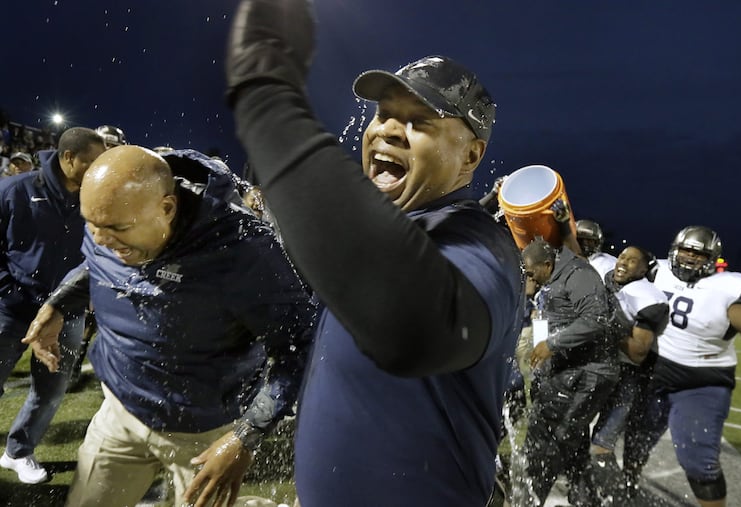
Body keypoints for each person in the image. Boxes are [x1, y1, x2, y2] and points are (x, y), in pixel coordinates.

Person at [225, 1, 525, 505]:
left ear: (471, 155)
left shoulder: (478, 240)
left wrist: (266, 95)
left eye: (419, 121)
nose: (386, 128)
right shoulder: (390, 230)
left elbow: (418, 328)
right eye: (383, 113)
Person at [22, 145, 316, 507]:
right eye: (91, 224)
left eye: (115, 227)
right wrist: (57, 304)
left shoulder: (242, 250)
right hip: (118, 413)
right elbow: (95, 262)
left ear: (167, 208)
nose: (99, 238)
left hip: (203, 429)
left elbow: (298, 347)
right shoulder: (110, 220)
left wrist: (244, 436)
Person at [623, 226, 741, 507]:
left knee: (697, 457)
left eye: (698, 254)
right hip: (653, 374)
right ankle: (628, 484)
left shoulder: (731, 286)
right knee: (637, 441)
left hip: (701, 382)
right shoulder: (655, 270)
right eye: (685, 250)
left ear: (712, 258)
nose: (689, 258)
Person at [0, 127, 106, 483]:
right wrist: (11, 295)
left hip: (67, 312)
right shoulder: (16, 189)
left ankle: (18, 452)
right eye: (91, 162)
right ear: (68, 158)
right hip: (13, 307)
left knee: (51, 391)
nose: (98, 170)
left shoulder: (95, 197)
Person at [518, 238, 618, 506]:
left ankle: (530, 499)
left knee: (548, 440)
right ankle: (585, 497)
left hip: (586, 371)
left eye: (530, 272)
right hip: (567, 369)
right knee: (569, 441)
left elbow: (595, 319)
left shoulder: (579, 274)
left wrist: (551, 344)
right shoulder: (551, 277)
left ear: (547, 264)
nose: (528, 277)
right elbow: (548, 316)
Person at [587, 245, 669, 502]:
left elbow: (637, 353)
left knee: (601, 445)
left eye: (633, 261)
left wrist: (606, 327)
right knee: (571, 431)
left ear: (645, 270)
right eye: (622, 257)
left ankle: (616, 497)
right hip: (595, 369)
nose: (623, 263)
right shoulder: (604, 275)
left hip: (626, 377)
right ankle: (585, 487)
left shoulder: (649, 297)